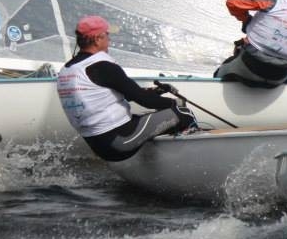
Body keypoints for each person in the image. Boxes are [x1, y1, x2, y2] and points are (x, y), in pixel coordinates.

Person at [57, 15, 196, 162]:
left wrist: (155, 92)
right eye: (107, 35)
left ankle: (154, 160)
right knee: (183, 113)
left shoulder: (67, 69)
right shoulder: (102, 66)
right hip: (119, 142)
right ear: (97, 39)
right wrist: (174, 103)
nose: (109, 40)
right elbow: (146, 101)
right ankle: (190, 163)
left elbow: (112, 96)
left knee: (148, 117)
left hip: (99, 146)